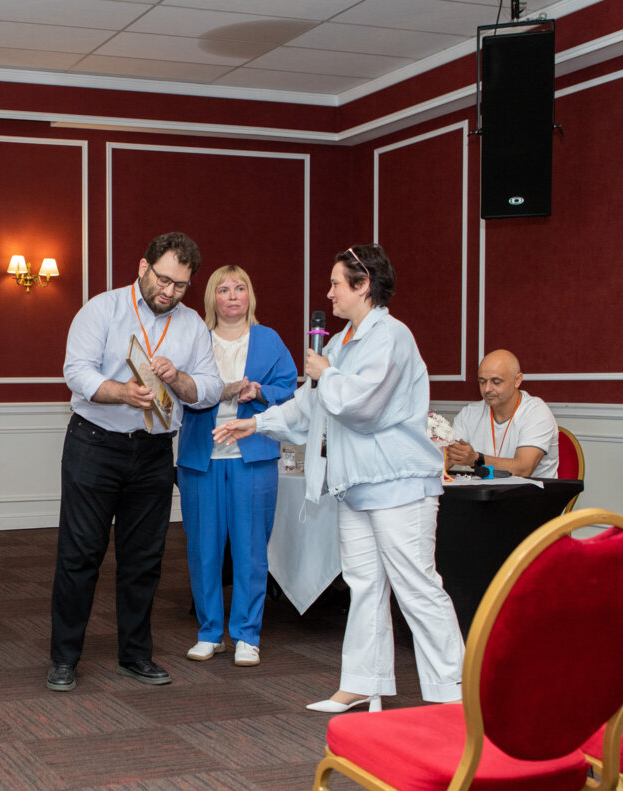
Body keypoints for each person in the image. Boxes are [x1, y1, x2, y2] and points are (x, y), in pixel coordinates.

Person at [218, 244, 464, 712]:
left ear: (363, 285)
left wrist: (327, 374)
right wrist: (257, 423)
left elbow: (364, 407)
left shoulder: (392, 337)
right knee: (364, 583)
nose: (329, 294)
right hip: (355, 485)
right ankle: (363, 682)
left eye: (336, 284)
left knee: (416, 586)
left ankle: (453, 692)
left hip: (398, 481)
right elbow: (310, 406)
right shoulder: (338, 343)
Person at [47, 232, 223, 692]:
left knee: (143, 558)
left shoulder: (191, 326)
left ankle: (135, 655)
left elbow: (207, 390)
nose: (169, 291)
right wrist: (121, 392)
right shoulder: (102, 309)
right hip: (95, 444)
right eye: (163, 279)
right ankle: (64, 657)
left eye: (180, 285)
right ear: (143, 267)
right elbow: (77, 371)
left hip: (154, 452)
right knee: (81, 553)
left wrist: (177, 377)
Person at [176, 265, 297, 667]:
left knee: (250, 551)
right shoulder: (195, 339)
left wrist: (259, 391)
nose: (232, 296)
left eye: (240, 288)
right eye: (224, 289)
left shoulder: (269, 339)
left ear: (250, 296)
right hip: (201, 459)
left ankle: (247, 634)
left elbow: (289, 389)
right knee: (203, 550)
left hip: (253, 456)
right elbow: (176, 390)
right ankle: (210, 632)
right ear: (212, 298)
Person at [447, 349, 559, 478]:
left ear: (518, 380)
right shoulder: (469, 413)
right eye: (482, 381)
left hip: (532, 490)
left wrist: (476, 459)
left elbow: (523, 469)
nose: (487, 389)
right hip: (486, 489)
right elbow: (446, 459)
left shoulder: (537, 412)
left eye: (496, 382)